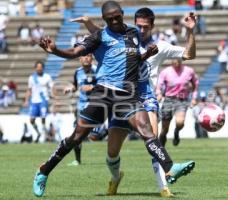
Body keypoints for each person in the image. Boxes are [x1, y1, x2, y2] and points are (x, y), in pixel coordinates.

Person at [33, 1, 195, 197]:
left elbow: (131, 60)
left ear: (122, 14)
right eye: (111, 19)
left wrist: (145, 55)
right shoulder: (99, 37)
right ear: (105, 20)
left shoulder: (133, 34)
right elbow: (75, 53)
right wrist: (56, 50)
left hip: (128, 94)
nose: (115, 21)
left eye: (118, 16)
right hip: (104, 93)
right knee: (78, 136)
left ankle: (170, 167)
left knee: (147, 130)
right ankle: (44, 171)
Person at [65, 53, 98, 166]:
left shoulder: (97, 70)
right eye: (84, 56)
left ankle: (102, 132)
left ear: (92, 58)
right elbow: (75, 86)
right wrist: (70, 89)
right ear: (80, 59)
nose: (86, 58)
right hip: (81, 105)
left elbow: (104, 84)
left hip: (95, 105)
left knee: (93, 137)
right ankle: (77, 160)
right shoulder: (77, 72)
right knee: (76, 133)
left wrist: (93, 87)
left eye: (88, 56)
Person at [156, 58, 198, 146]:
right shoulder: (165, 72)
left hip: (182, 100)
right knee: (165, 129)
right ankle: (161, 148)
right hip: (169, 99)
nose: (176, 64)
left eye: (178, 62)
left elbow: (195, 85)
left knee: (180, 122)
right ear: (171, 61)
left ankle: (176, 131)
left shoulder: (189, 71)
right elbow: (159, 85)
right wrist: (159, 93)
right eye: (174, 62)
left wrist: (194, 98)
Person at [24, 61, 53, 143]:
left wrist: (54, 97)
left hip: (44, 100)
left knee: (43, 119)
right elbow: (29, 90)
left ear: (43, 68)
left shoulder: (47, 77)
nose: (39, 69)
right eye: (38, 67)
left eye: (40, 67)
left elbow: (52, 88)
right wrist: (26, 100)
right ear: (36, 68)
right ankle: (38, 133)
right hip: (34, 101)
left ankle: (46, 137)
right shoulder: (32, 78)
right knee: (31, 120)